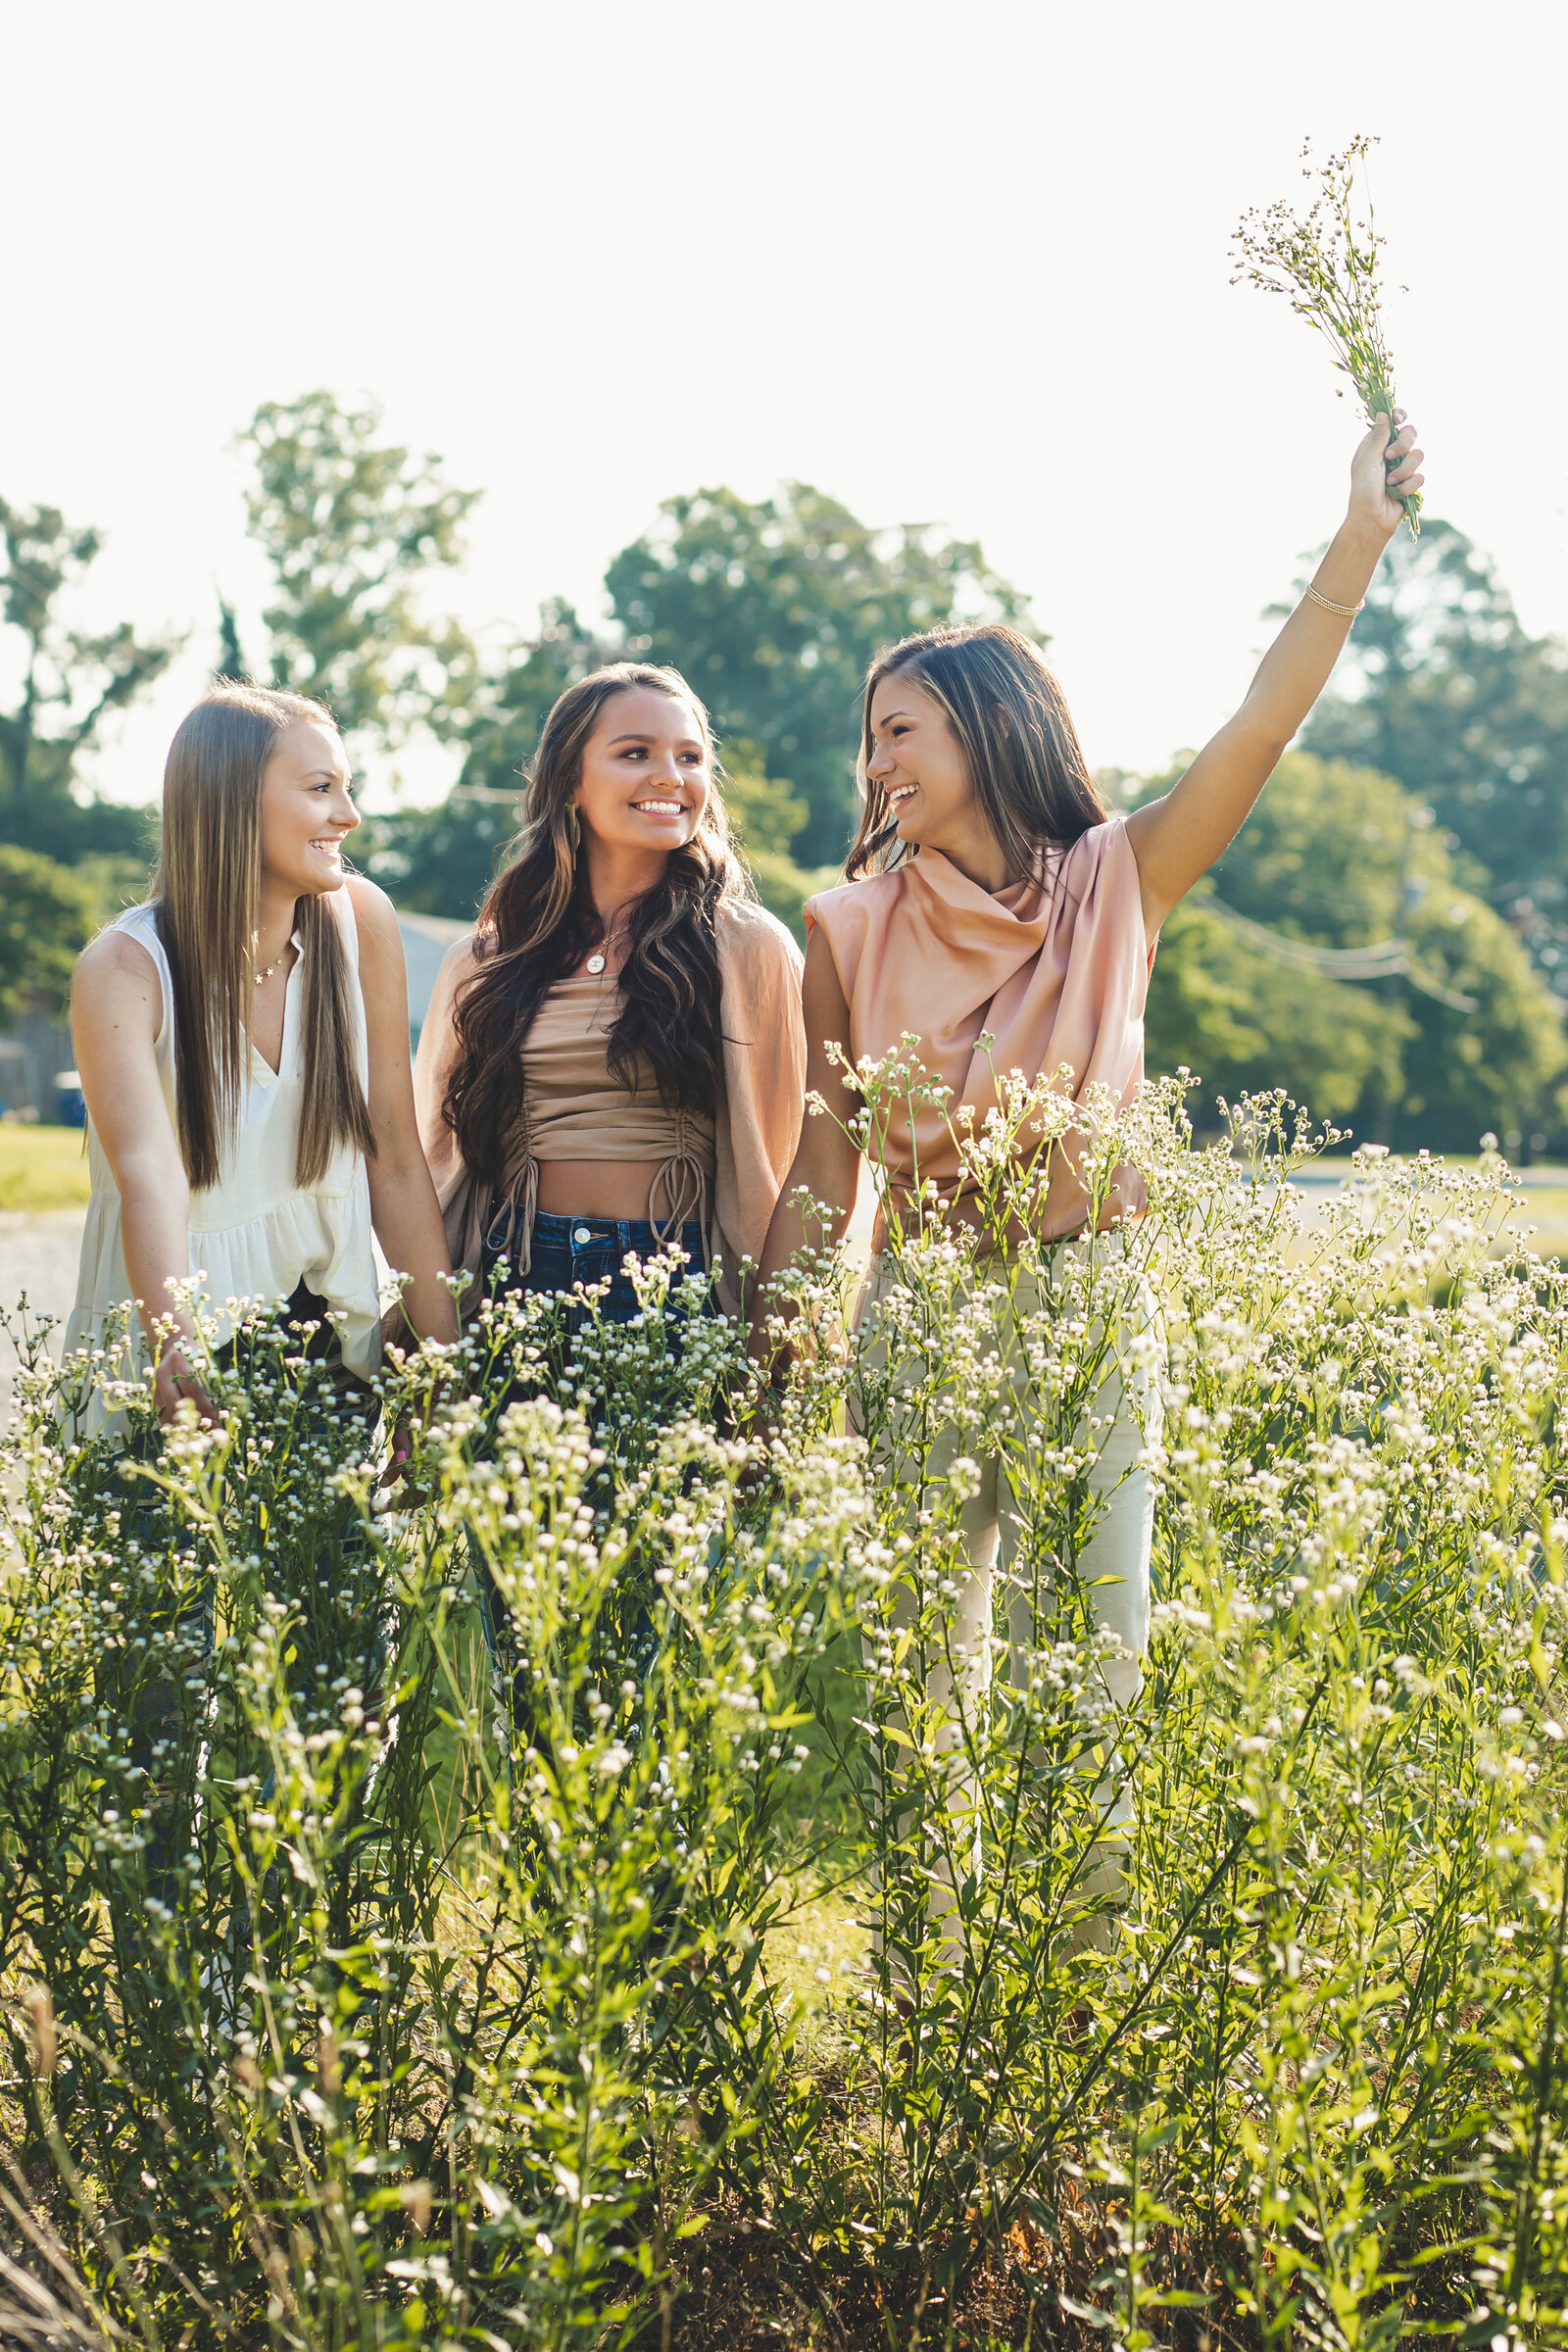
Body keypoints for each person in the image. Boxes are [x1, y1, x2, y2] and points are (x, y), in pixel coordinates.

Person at [752, 413, 1426, 1922]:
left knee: (1092, 1663)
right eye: (871, 738)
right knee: (923, 1669)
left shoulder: (1126, 877)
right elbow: (825, 1148)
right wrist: (782, 1338)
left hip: (1089, 1299)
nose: (874, 764)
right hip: (921, 1305)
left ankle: (1072, 1981)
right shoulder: (845, 926)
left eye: (898, 730)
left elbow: (1262, 723)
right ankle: (935, 1997)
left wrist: (1358, 540)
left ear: (988, 733)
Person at [67, 682, 458, 1429]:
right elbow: (150, 1173)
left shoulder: (360, 920)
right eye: (320, 789)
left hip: (326, 1337)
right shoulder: (123, 968)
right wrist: (172, 1341)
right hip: (170, 1324)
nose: (350, 816)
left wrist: (444, 1365)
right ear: (232, 802)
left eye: (347, 788)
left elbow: (396, 1155)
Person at [415, 662, 805, 1353]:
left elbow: (781, 1156)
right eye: (635, 754)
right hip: (514, 1274)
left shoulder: (746, 949)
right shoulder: (485, 961)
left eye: (690, 757)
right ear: (570, 781)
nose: (670, 777)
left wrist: (770, 1346)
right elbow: (433, 1154)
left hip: (672, 1279)